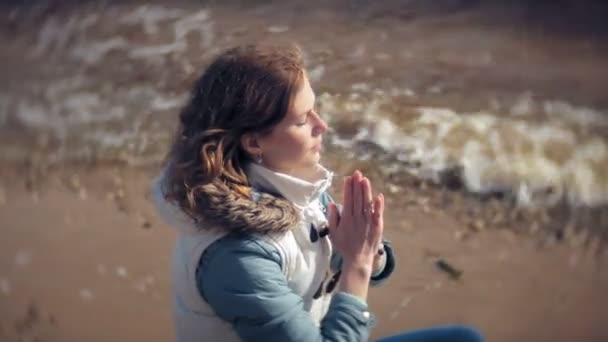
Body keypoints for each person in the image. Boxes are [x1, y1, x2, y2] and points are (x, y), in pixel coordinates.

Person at [152, 44, 484, 342]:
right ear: (254, 142)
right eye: (301, 120)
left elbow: (341, 255)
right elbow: (351, 268)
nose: (321, 125)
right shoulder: (235, 257)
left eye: (316, 108)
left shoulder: (284, 184)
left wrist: (369, 251)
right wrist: (358, 267)